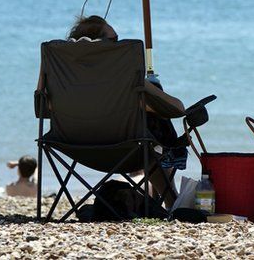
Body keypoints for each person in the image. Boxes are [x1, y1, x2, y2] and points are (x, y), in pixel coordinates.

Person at [52, 15, 186, 206]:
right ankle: (171, 201)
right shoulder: (123, 77)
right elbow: (177, 109)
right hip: (125, 148)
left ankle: (164, 200)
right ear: (100, 44)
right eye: (114, 41)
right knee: (156, 131)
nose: (118, 44)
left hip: (75, 146)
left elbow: (42, 110)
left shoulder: (62, 74)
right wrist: (148, 87)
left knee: (152, 131)